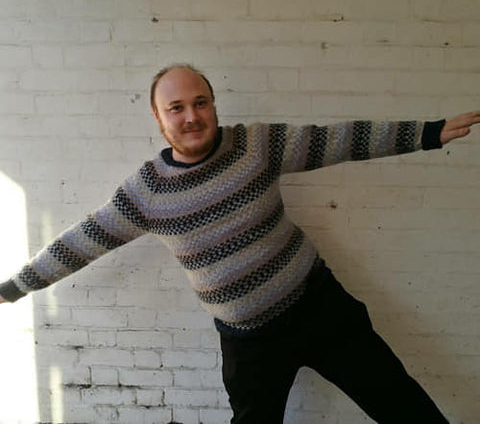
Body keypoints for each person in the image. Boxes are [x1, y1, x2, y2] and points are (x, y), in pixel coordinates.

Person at [1, 63, 479, 423]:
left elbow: (340, 140)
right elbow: (78, 243)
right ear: (158, 116)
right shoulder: (146, 193)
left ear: (212, 103)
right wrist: (11, 289)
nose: (192, 116)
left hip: (321, 312)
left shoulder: (255, 145)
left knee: (403, 404)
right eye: (177, 107)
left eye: (200, 102)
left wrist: (428, 133)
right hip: (250, 347)